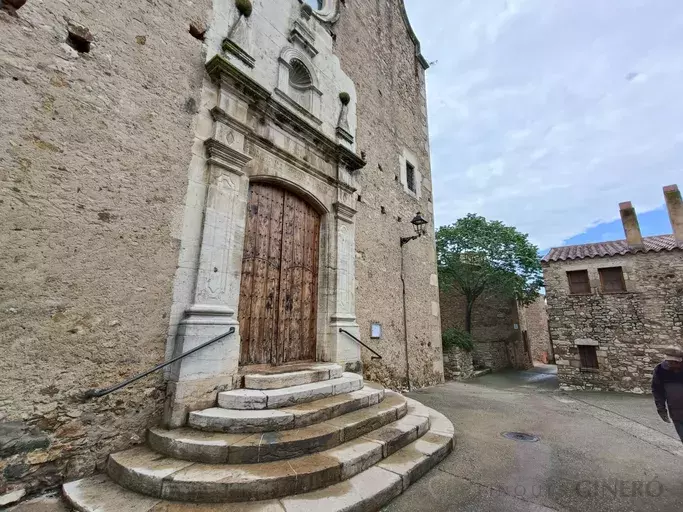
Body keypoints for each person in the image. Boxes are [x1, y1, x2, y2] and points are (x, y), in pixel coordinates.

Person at [651, 345, 683, 442]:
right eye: (670, 361)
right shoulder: (660, 370)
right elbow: (657, 391)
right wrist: (661, 409)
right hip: (677, 414)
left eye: (676, 362)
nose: (673, 364)